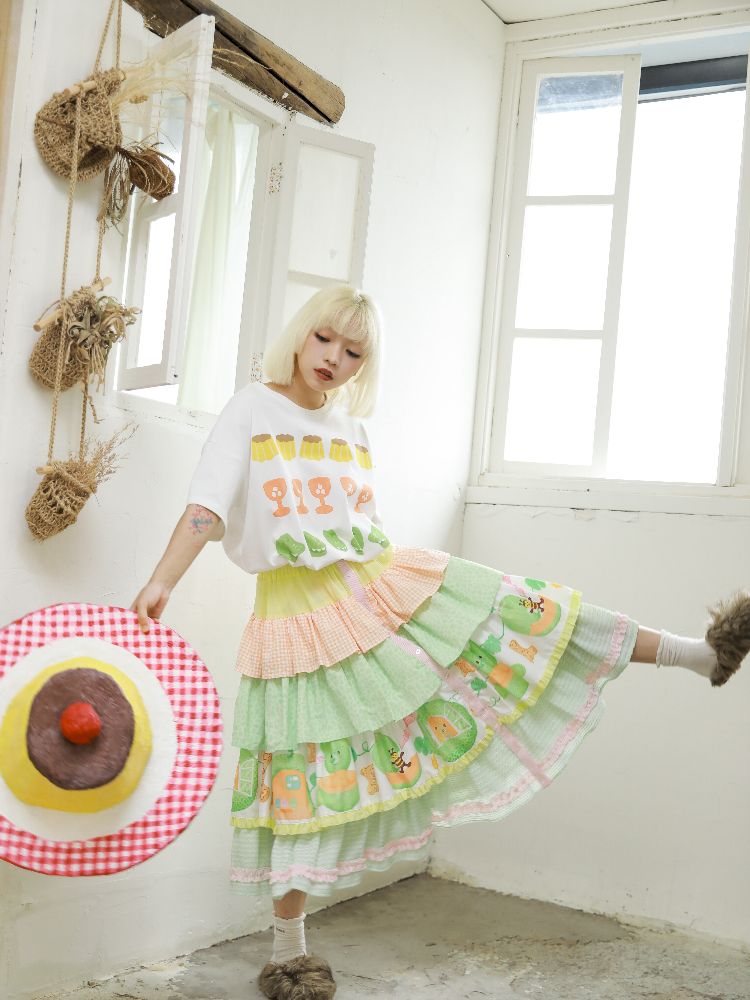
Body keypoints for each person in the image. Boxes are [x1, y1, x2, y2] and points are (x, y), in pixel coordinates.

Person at [131, 284, 750, 1000]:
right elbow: (207, 506)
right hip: (295, 619)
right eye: (324, 339)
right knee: (301, 776)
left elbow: (359, 527)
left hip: (375, 587)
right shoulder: (251, 407)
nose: (333, 359)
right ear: (300, 335)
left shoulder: (352, 430)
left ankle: (698, 652)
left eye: (353, 351)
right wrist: (163, 580)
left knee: (527, 611)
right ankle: (289, 955)